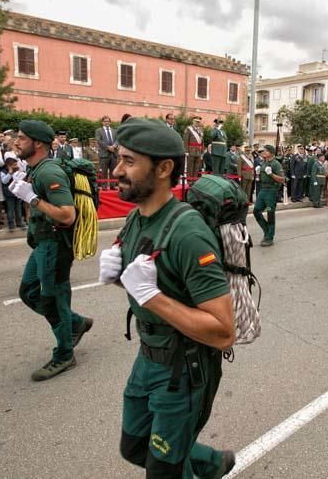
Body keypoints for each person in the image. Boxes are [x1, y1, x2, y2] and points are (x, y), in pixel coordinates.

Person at [97, 119, 236, 477]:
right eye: (119, 159)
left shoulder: (189, 234)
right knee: (134, 447)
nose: (117, 170)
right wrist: (119, 280)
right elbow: (154, 287)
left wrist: (151, 296)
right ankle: (210, 464)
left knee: (162, 471)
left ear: (164, 168)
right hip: (148, 357)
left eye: (129, 161)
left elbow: (223, 332)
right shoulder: (135, 219)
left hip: (183, 369)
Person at [13, 120, 93, 381]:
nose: (16, 141)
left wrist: (32, 198)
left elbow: (67, 215)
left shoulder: (49, 172)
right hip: (43, 243)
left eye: (22, 138)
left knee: (52, 299)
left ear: (38, 144)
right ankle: (75, 323)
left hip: (56, 245)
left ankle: (64, 354)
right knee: (28, 291)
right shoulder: (36, 169)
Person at [253, 145, 285, 246]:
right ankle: (267, 230)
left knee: (270, 214)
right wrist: (257, 174)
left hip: (272, 190)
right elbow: (260, 178)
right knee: (256, 211)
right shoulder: (264, 163)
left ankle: (269, 237)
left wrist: (271, 174)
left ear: (271, 152)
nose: (264, 152)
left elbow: (282, 179)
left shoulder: (276, 164)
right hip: (263, 189)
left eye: (266, 150)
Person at [0, 157, 26, 232]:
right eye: (14, 165)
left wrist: (20, 172)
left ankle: (19, 222)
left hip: (18, 192)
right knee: (10, 209)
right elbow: (4, 181)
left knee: (18, 208)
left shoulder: (18, 170)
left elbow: (22, 178)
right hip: (9, 193)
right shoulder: (3, 172)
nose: (15, 166)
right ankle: (11, 224)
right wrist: (10, 173)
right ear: (8, 165)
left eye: (16, 164)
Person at [95, 115, 118, 189]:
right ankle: (104, 186)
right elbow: (99, 140)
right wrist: (108, 147)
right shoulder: (99, 130)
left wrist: (114, 146)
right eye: (105, 121)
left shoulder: (114, 131)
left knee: (113, 171)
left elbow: (118, 140)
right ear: (102, 122)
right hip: (104, 154)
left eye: (108, 121)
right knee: (104, 171)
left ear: (110, 122)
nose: (106, 123)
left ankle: (113, 186)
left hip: (114, 153)